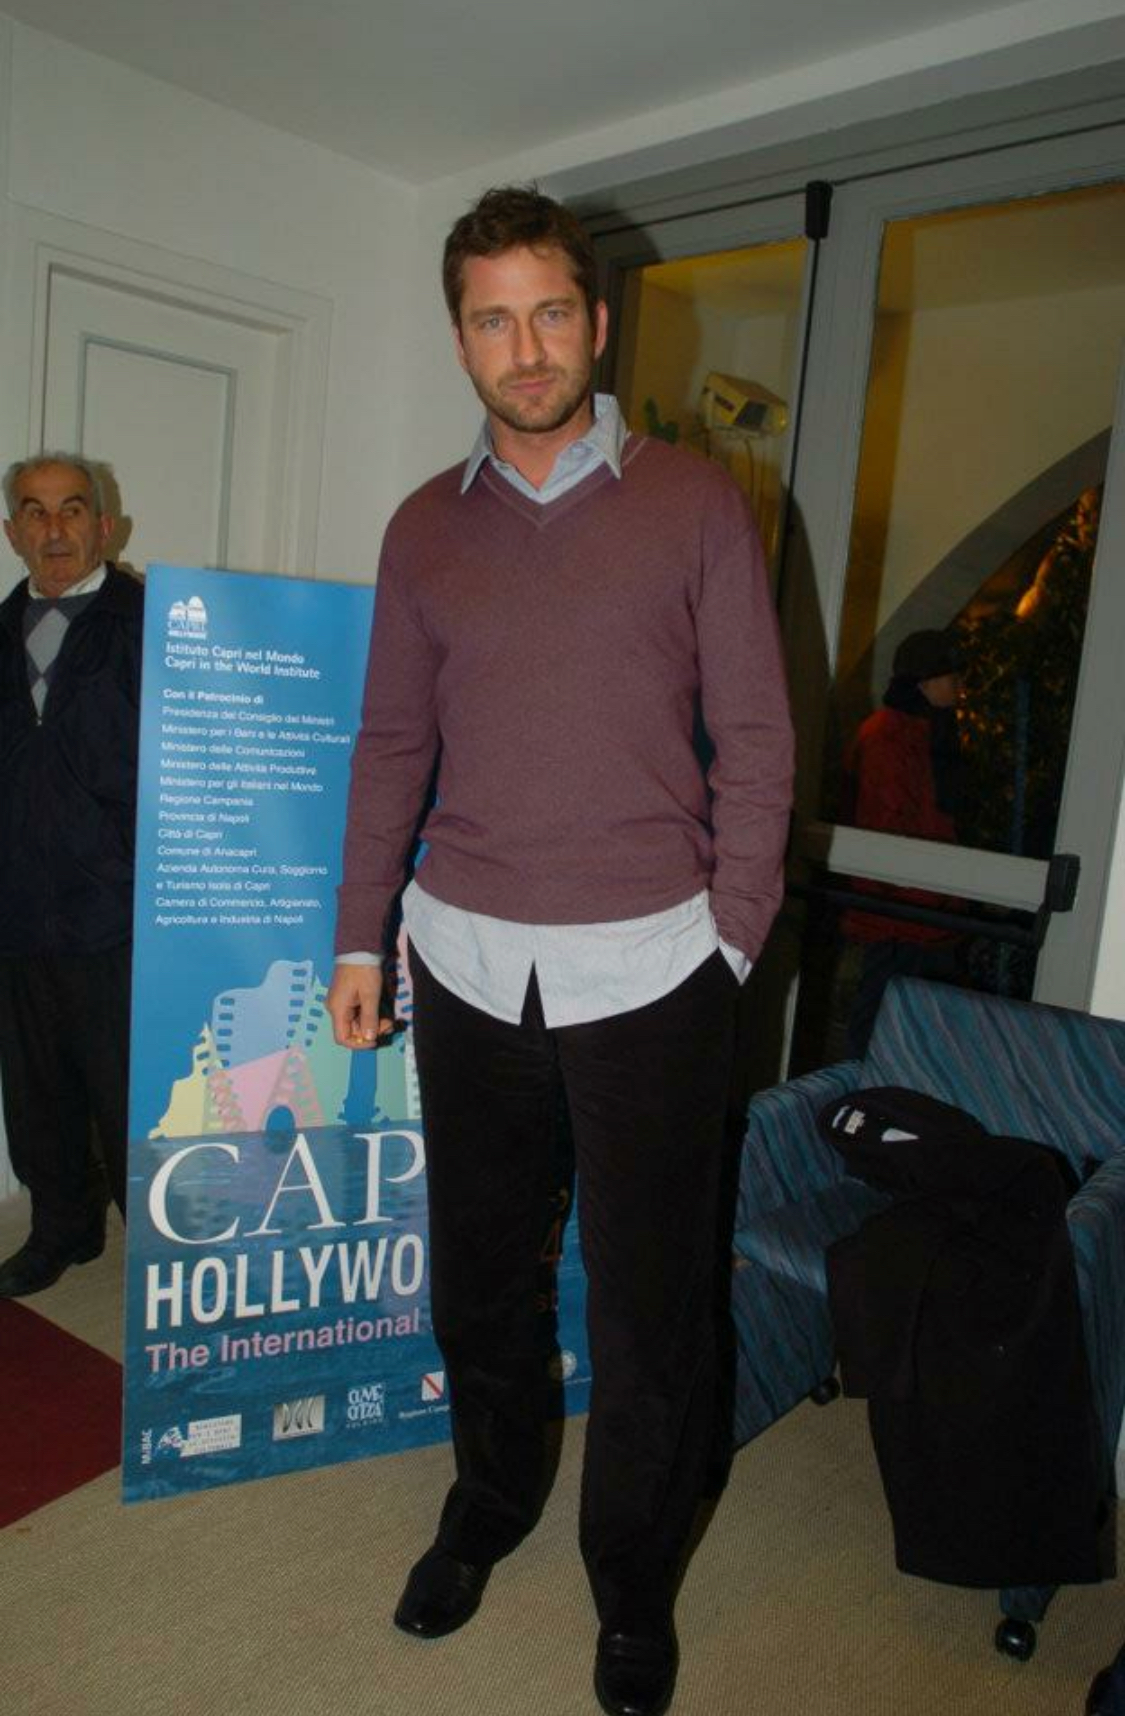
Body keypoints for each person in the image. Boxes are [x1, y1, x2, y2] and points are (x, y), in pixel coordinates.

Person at [327, 186, 794, 1716]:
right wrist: (358, 936)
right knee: (478, 1281)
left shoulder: (697, 505)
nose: (523, 349)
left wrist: (731, 943)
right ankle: (491, 1497)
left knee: (652, 1309)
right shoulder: (423, 528)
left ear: (595, 324)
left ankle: (633, 1581)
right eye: (490, 319)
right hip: (463, 962)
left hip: (654, 969)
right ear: (459, 337)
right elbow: (391, 746)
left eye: (547, 314)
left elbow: (759, 739)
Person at [0, 453, 142, 1297]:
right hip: (17, 910)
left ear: (104, 525)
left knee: (129, 1096)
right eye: (34, 511)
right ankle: (63, 1230)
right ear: (12, 532)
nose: (54, 529)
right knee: (36, 1090)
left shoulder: (155, 622)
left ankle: (153, 1256)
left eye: (72, 509)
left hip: (118, 912)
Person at [840, 627, 965, 1056]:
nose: (959, 687)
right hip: (901, 916)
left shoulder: (927, 731)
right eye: (952, 677)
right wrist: (931, 900)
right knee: (882, 1033)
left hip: (922, 914)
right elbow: (888, 829)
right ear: (925, 681)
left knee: (908, 1035)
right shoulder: (890, 736)